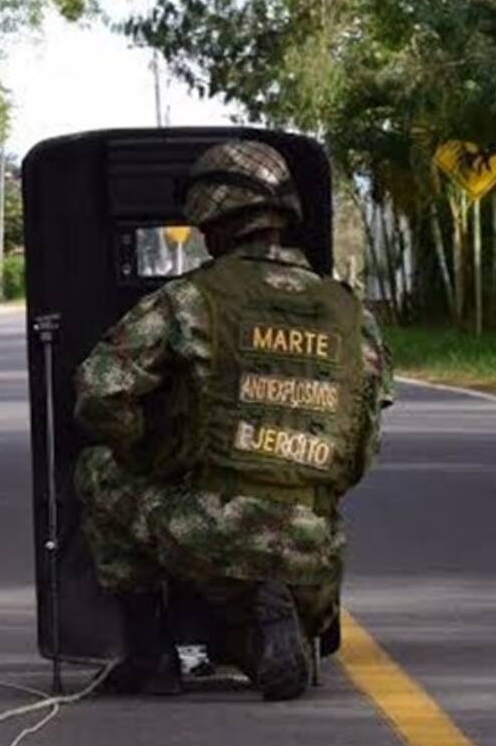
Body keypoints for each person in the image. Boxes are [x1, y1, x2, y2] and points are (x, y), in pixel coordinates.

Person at [73, 140, 393, 701]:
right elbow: (364, 444)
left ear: (208, 221)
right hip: (316, 548)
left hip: (210, 533)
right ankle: (266, 622)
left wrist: (147, 453)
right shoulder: (350, 311)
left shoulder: (191, 300)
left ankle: (151, 656)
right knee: (264, 554)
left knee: (99, 470)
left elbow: (99, 391)